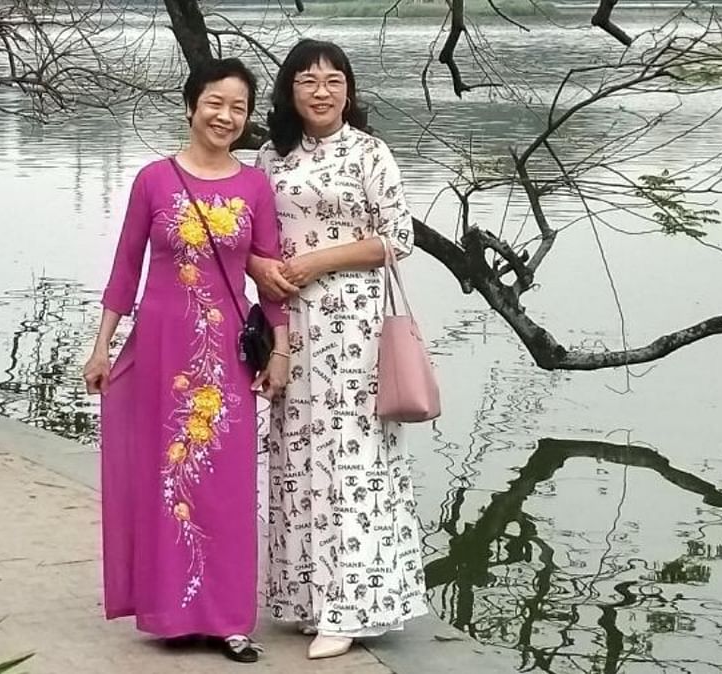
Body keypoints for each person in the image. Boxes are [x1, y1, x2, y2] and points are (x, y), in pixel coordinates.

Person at [83, 57, 290, 664]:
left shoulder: (255, 185)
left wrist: (279, 350)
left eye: (239, 107)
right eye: (215, 103)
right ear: (192, 104)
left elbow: (272, 276)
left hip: (225, 357)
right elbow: (126, 268)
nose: (226, 116)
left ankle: (229, 619)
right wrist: (102, 346)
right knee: (164, 477)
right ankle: (171, 612)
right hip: (160, 350)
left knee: (226, 486)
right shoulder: (153, 179)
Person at [250, 39, 429, 660]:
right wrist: (263, 268)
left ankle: (352, 604)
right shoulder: (271, 157)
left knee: (353, 458)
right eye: (307, 80)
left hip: (352, 324)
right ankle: (306, 596)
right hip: (290, 327)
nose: (321, 91)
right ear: (290, 91)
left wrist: (314, 261)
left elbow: (396, 237)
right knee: (297, 454)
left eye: (333, 80)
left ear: (349, 90)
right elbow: (251, 235)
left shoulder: (369, 151)